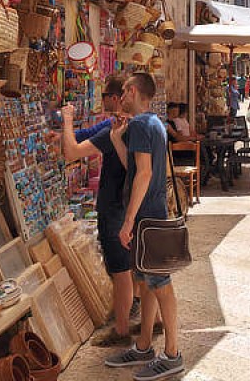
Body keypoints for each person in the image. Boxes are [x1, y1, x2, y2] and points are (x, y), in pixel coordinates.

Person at [105, 73, 183, 380]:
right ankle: (143, 345)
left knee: (160, 285)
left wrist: (127, 222)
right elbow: (137, 168)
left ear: (133, 91)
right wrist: (114, 139)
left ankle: (173, 354)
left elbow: (144, 174)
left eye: (123, 91)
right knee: (148, 284)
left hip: (145, 219)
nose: (120, 97)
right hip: (153, 215)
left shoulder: (139, 125)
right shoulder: (155, 124)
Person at [61, 76, 137, 347]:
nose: (106, 100)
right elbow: (89, 134)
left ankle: (122, 329)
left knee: (120, 272)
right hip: (128, 207)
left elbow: (71, 152)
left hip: (114, 209)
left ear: (122, 99)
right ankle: (144, 321)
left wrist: (68, 119)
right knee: (130, 269)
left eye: (110, 95)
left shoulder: (115, 130)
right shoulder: (137, 125)